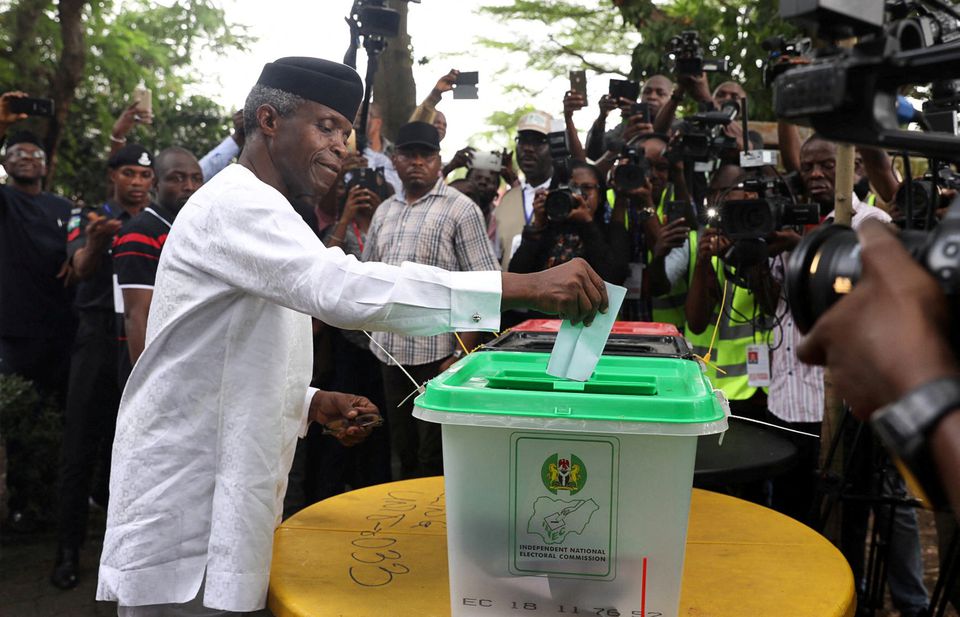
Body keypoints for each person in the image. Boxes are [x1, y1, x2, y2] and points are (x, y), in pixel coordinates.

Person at [97, 57, 608, 616]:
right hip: (188, 503)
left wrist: (310, 402)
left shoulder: (270, 209)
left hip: (227, 486)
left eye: (345, 132)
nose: (342, 146)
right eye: (326, 127)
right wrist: (523, 286)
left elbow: (230, 352)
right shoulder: (236, 202)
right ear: (268, 120)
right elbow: (340, 288)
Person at [363, 121, 500, 480]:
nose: (418, 162)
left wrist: (459, 358)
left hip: (439, 356)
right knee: (402, 453)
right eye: (409, 154)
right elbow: (368, 277)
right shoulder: (384, 212)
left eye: (427, 155)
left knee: (434, 459)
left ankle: (436, 531)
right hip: (389, 354)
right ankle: (405, 529)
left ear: (439, 160)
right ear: (395, 160)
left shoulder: (461, 208)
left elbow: (483, 286)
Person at [50, 142, 154, 590]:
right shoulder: (87, 216)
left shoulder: (159, 224)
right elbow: (79, 267)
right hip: (97, 338)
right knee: (80, 446)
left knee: (135, 448)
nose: (136, 182)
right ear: (112, 176)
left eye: (144, 175)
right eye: (128, 173)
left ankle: (130, 552)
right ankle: (68, 552)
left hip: (143, 335)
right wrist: (95, 243)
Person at [113, 146, 203, 378]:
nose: (189, 187)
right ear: (155, 185)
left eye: (196, 179)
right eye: (177, 178)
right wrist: (146, 381)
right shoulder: (141, 232)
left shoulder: (190, 229)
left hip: (186, 359)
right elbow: (136, 315)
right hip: (157, 369)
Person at [509, 161, 629, 286]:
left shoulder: (610, 232)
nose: (579, 195)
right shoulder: (546, 231)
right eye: (572, 189)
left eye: (587, 188)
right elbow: (516, 277)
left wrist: (587, 224)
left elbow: (615, 278)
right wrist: (538, 225)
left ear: (600, 196)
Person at [493, 110, 554, 270]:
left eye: (538, 141)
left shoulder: (564, 196)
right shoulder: (507, 199)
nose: (528, 148)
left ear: (554, 146)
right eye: (523, 140)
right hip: (509, 293)